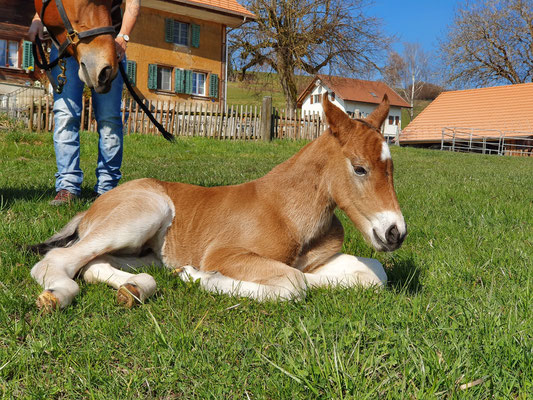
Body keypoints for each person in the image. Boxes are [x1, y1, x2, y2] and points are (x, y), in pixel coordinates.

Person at [27, 0, 140, 205]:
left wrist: (123, 37)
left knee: (109, 119)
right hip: (64, 46)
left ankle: (107, 189)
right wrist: (37, 20)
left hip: (106, 45)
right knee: (65, 116)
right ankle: (68, 186)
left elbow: (133, 3)